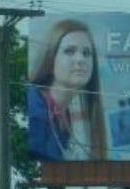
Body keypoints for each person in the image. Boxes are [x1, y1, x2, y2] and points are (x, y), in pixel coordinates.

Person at [27, 19, 108, 161]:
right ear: (51, 58)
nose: (80, 59)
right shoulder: (34, 110)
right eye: (70, 51)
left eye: (86, 53)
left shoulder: (72, 116)